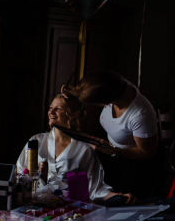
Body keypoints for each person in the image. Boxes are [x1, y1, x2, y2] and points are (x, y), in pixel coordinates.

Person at [16, 94, 138, 205]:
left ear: (73, 114)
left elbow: (95, 188)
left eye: (58, 109)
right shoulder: (36, 141)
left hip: (68, 210)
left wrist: (120, 196)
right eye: (51, 107)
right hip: (34, 205)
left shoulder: (84, 148)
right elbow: (20, 174)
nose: (51, 112)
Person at [61, 70, 159, 198]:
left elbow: (147, 153)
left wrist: (114, 151)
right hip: (113, 154)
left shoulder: (141, 115)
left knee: (123, 203)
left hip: (135, 164)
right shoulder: (117, 84)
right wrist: (78, 91)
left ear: (106, 101)